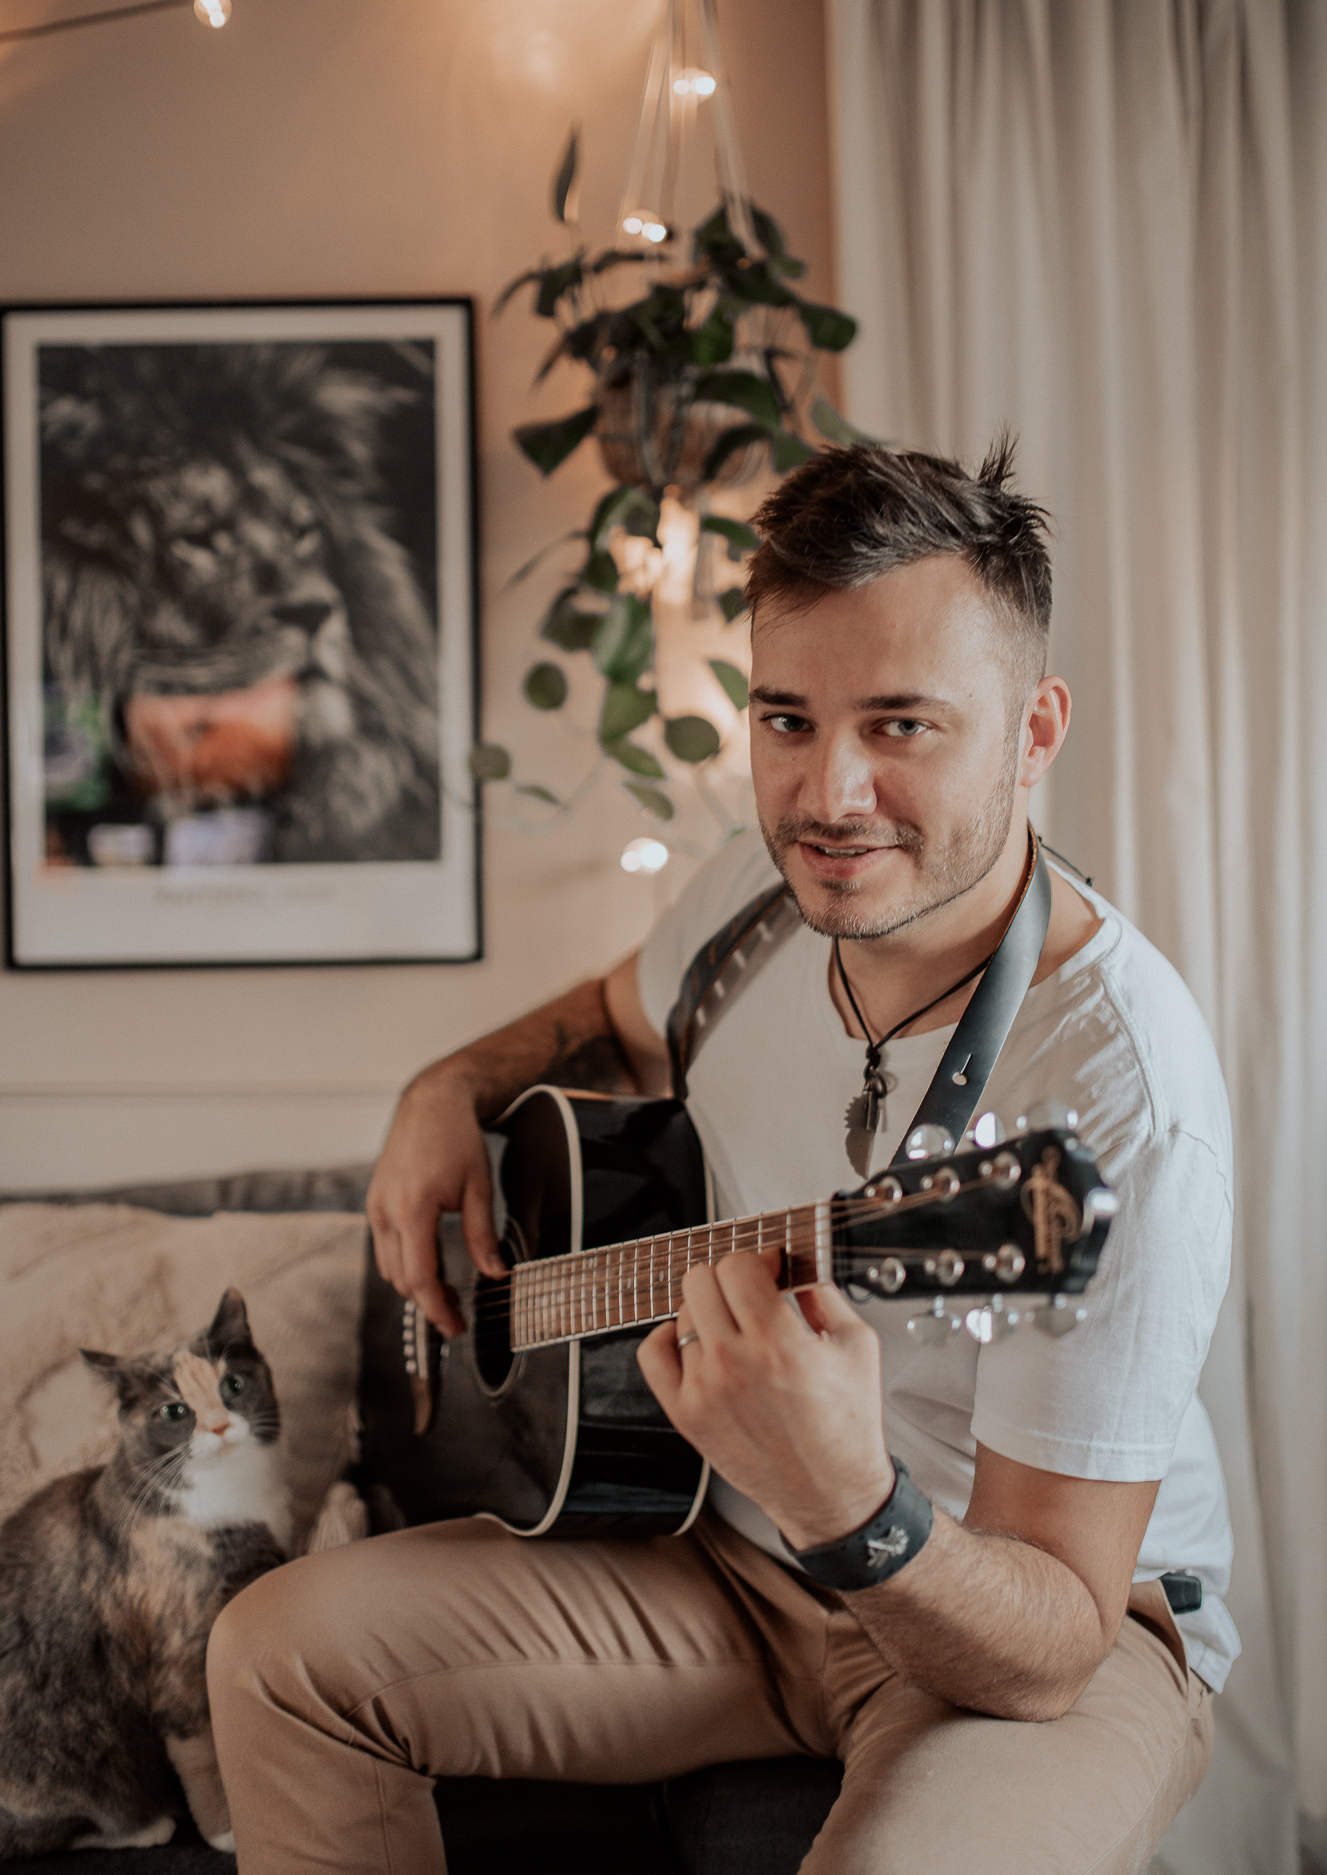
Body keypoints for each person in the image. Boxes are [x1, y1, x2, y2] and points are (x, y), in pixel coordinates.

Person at [207, 441, 1237, 1874]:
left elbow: (1053, 1643)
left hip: (1030, 1612)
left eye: (902, 725)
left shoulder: (1116, 1092)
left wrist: (851, 1505)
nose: (830, 795)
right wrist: (449, 1087)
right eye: (786, 718)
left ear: (1036, 730)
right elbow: (610, 1022)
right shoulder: (759, 897)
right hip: (722, 1554)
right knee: (275, 1652)